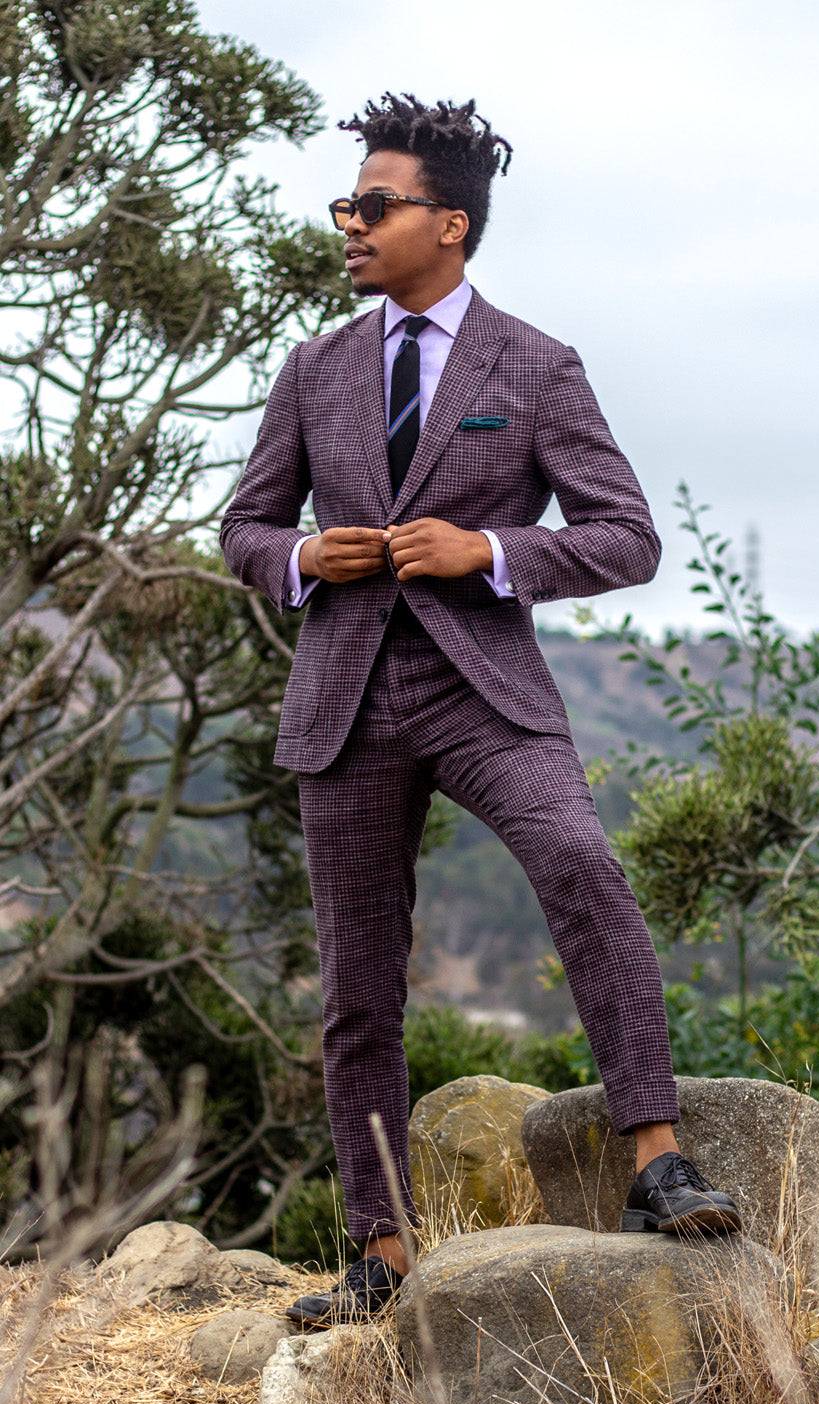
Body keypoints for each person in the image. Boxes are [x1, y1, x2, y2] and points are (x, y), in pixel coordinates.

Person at [220, 93, 740, 1328]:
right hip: (344, 700)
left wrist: (487, 549)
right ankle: (381, 1248)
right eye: (346, 203)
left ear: (448, 225)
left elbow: (627, 538)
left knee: (581, 864)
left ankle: (654, 1160)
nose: (350, 222)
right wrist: (302, 560)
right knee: (358, 984)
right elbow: (243, 529)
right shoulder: (314, 370)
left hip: (482, 691)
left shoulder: (536, 365)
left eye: (375, 205)